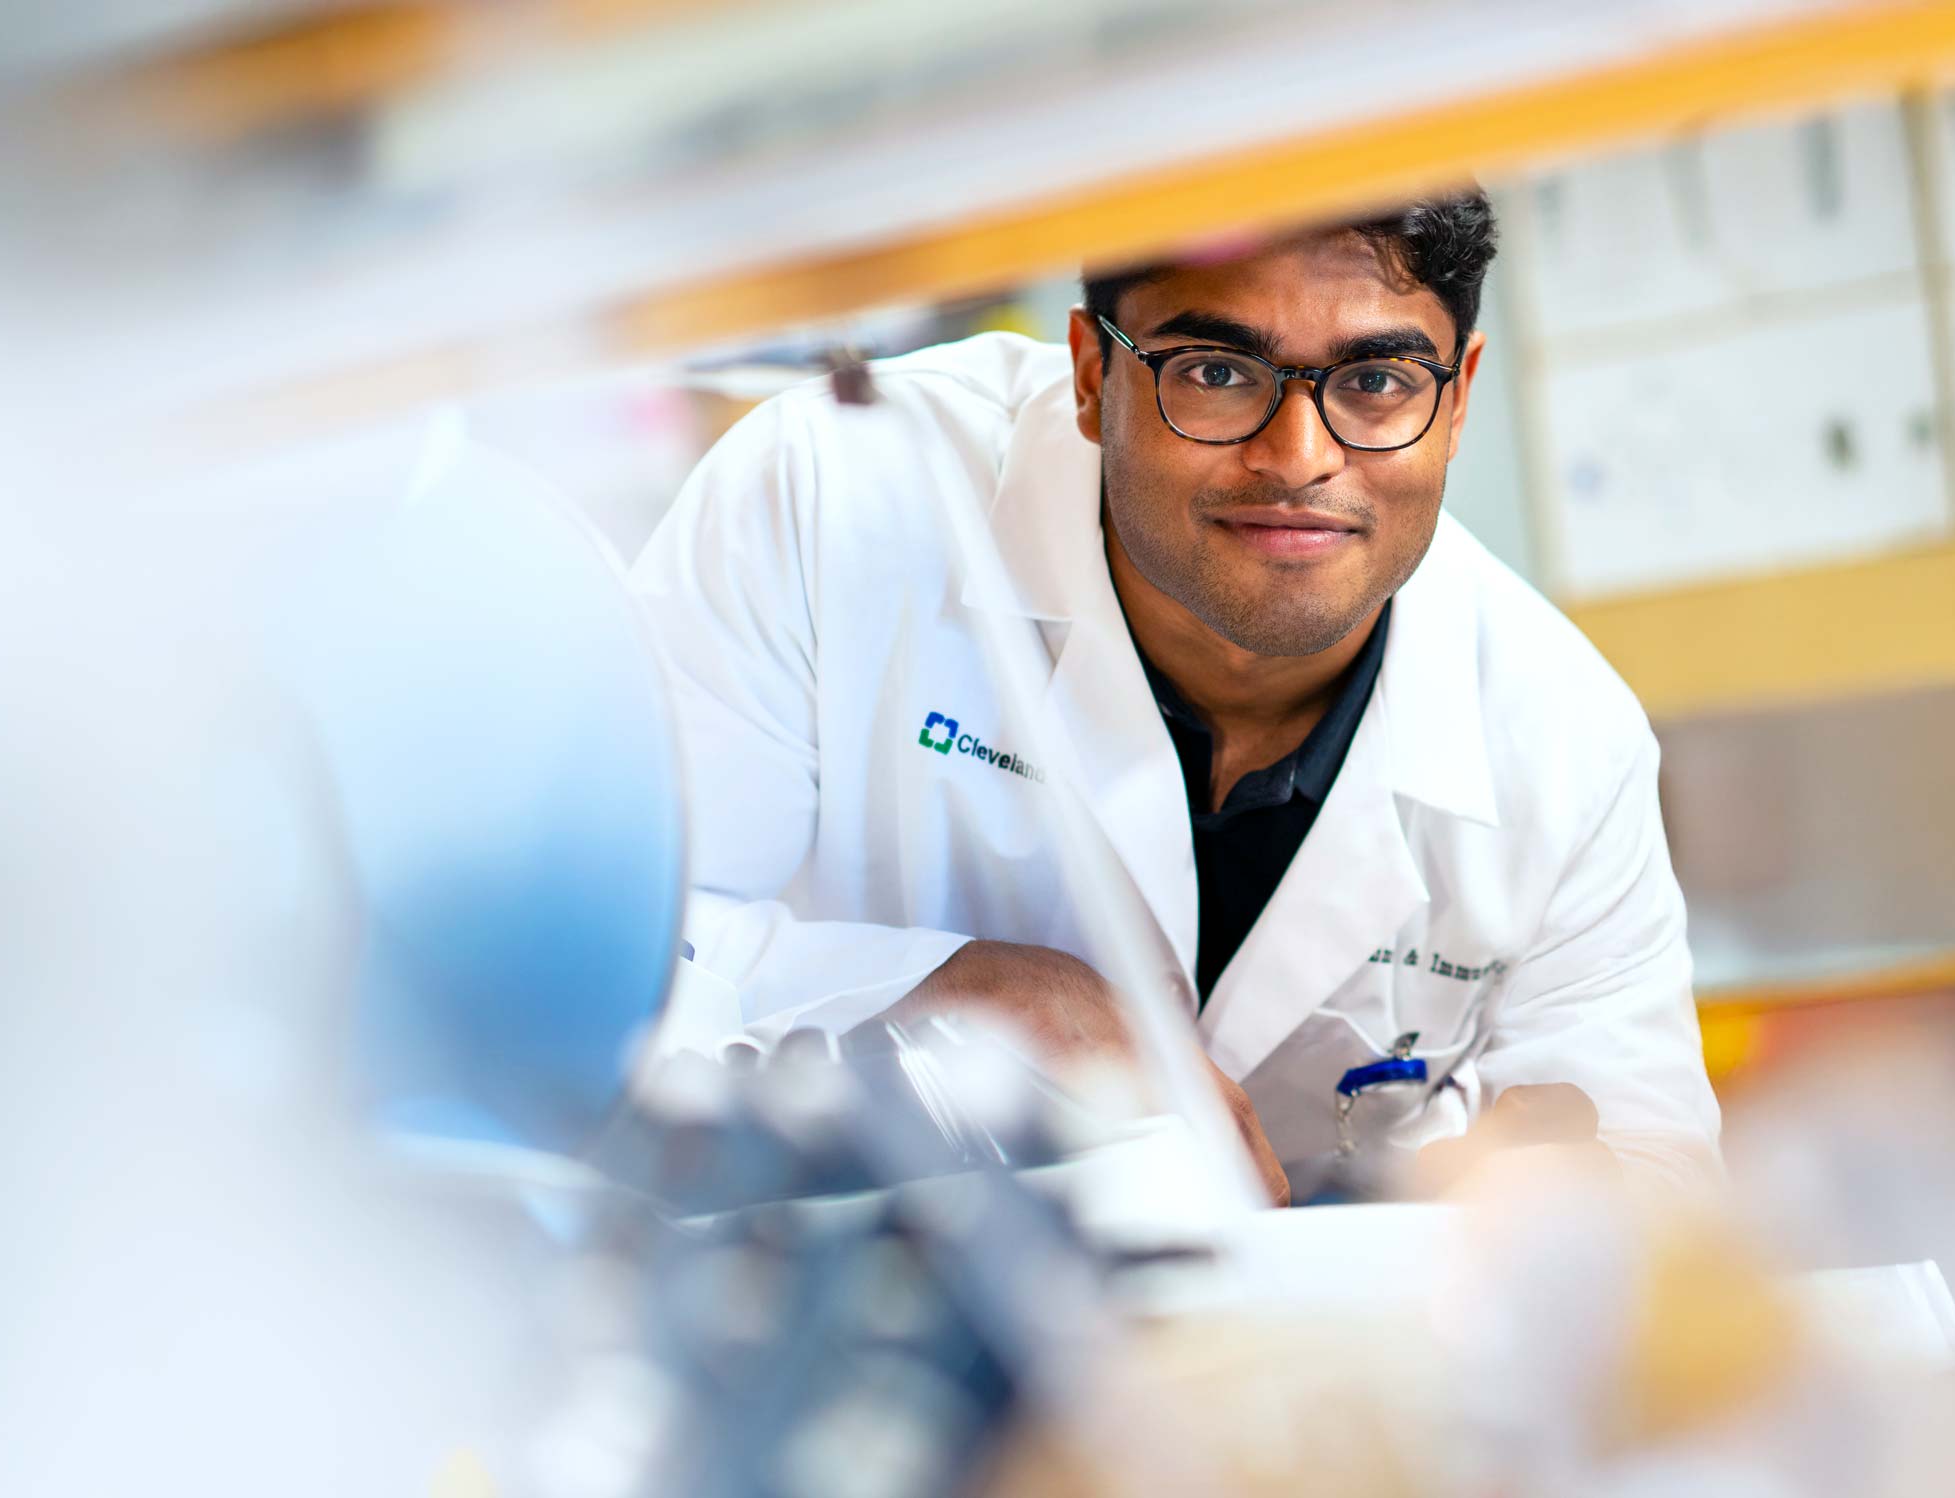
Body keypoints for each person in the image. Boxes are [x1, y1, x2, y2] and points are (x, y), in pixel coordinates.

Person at [629, 189, 1718, 1202]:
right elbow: (600, 961)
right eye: (1214, 371)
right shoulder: (834, 495)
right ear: (1091, 378)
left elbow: (1654, 1179)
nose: (1297, 458)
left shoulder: (1562, 740)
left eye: (1376, 382)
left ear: (1457, 398)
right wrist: (958, 991)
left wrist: (1536, 1213)